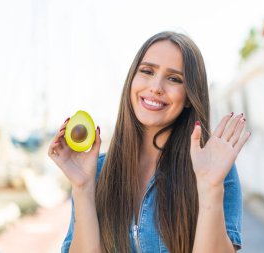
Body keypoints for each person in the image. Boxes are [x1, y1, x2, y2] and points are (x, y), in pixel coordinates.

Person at [48, 31, 251, 253]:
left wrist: (210, 187)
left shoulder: (216, 170)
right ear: (131, 80)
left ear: (189, 97)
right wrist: (82, 187)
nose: (156, 87)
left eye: (174, 78)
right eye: (147, 71)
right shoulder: (96, 173)